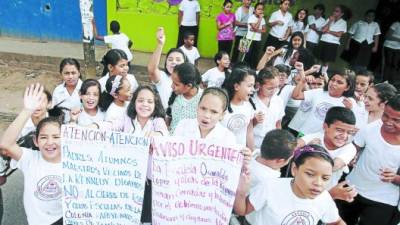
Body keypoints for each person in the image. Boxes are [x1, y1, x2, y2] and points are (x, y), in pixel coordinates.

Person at [98, 85, 168, 225]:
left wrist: (156, 136)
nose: (145, 105)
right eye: (140, 100)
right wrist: (95, 127)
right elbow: (110, 125)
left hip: (149, 182)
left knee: (146, 218)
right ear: (134, 102)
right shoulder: (126, 119)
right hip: (126, 180)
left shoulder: (157, 121)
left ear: (156, 104)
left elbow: (164, 135)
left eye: (149, 101)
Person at [233, 144, 346, 225]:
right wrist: (241, 191)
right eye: (310, 174)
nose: (318, 183)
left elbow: (336, 221)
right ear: (294, 169)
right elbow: (242, 210)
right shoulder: (270, 187)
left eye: (325, 178)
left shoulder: (324, 198)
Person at [0, 83, 63, 225]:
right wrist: (27, 109)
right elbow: (6, 145)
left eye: (56, 137)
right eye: (43, 137)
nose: (50, 142)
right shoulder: (30, 159)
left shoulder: (71, 160)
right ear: (35, 140)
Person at [338, 95, 400, 225]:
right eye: (386, 116)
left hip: (383, 200)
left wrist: (395, 178)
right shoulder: (371, 128)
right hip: (352, 188)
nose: (388, 122)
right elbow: (354, 149)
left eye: (396, 120)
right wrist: (352, 157)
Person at [297, 107, 358, 202]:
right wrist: (304, 148)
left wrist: (310, 150)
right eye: (339, 130)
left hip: (324, 197)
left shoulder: (349, 148)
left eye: (349, 132)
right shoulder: (314, 137)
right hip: (299, 191)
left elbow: (333, 167)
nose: (344, 136)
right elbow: (289, 151)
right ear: (325, 126)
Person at [245, 129, 296, 224]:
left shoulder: (253, 155)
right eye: (290, 158)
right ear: (280, 161)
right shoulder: (270, 181)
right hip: (252, 219)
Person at [289, 64, 356, 136]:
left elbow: (349, 128)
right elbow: (296, 96)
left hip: (323, 141)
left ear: (347, 87)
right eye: (332, 80)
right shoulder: (319, 92)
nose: (333, 84)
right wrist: (302, 82)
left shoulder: (348, 103)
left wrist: (349, 110)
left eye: (339, 82)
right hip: (304, 134)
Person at [147, 27, 187, 109]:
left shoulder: (188, 80)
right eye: (170, 59)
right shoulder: (162, 76)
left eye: (178, 60)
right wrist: (160, 44)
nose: (174, 62)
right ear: (166, 63)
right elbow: (151, 69)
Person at [221, 65, 256, 149]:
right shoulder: (221, 105)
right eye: (249, 86)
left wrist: (252, 152)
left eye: (253, 86)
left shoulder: (249, 105)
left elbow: (249, 132)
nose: (253, 90)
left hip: (239, 156)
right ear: (236, 86)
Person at [252, 68, 285, 149]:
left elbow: (278, 124)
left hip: (270, 145)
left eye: (277, 87)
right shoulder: (250, 100)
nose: (274, 91)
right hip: (252, 143)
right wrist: (254, 121)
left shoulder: (278, 101)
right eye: (270, 88)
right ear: (258, 85)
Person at [166, 62, 202, 134]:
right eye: (172, 82)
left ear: (188, 86)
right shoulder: (176, 95)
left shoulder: (203, 99)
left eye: (176, 84)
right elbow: (169, 117)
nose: (172, 86)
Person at [319, 5, 350, 73]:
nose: (334, 12)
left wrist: (329, 31)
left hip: (333, 43)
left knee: (326, 61)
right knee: (320, 59)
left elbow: (339, 34)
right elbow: (323, 30)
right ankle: (317, 72)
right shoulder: (329, 19)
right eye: (334, 10)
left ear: (341, 14)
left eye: (336, 11)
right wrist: (330, 21)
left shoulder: (343, 22)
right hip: (323, 40)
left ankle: (323, 74)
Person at [52, 58, 83, 122]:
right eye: (66, 73)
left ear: (79, 73)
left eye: (73, 73)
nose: (70, 76)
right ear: (61, 74)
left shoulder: (86, 89)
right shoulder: (58, 91)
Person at [243, 2, 266, 69]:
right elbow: (256, 27)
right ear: (254, 10)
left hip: (258, 40)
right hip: (249, 39)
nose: (260, 11)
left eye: (262, 9)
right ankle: (244, 69)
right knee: (247, 56)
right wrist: (260, 19)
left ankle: (252, 70)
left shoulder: (263, 19)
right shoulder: (251, 18)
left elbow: (264, 30)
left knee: (255, 56)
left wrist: (256, 30)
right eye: (259, 9)